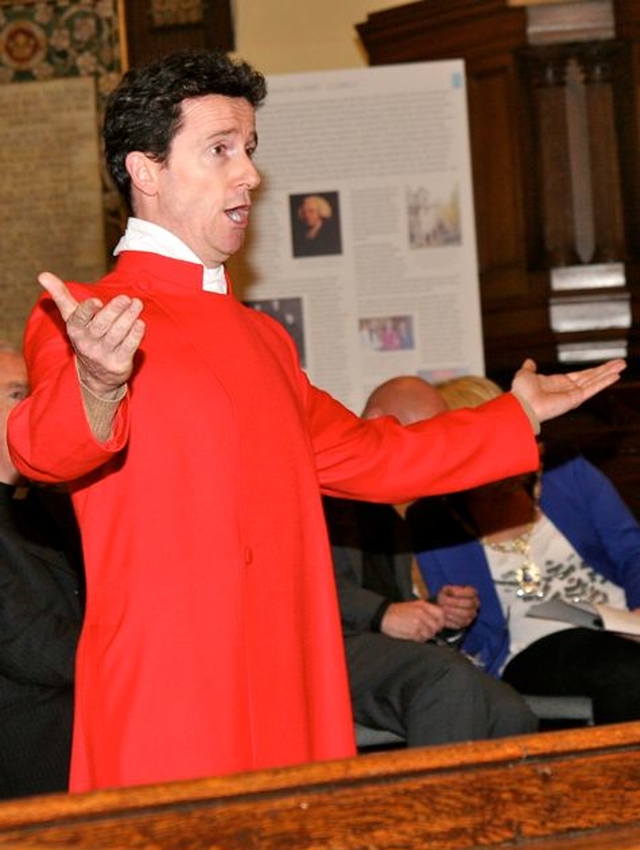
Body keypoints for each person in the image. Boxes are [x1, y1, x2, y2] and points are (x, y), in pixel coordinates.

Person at [6, 48, 625, 793]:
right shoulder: (80, 313)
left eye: (250, 150)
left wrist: (510, 416)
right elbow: (42, 450)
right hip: (175, 685)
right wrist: (100, 383)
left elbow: (370, 456)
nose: (251, 176)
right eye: (220, 151)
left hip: (287, 670)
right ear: (147, 170)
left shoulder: (262, 337)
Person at [411, 374, 640, 725]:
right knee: (624, 669)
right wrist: (451, 615)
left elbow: (632, 550)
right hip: (530, 649)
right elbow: (451, 623)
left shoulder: (564, 471)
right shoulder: (433, 518)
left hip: (623, 622)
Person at [325, 376, 538, 746]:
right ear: (378, 420)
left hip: (372, 651)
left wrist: (436, 614)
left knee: (509, 710)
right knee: (445, 677)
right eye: (424, 439)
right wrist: (382, 613)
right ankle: (434, 806)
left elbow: (390, 601)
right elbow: (295, 584)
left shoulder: (392, 508)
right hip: (323, 645)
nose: (432, 456)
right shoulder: (317, 487)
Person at [0, 346, 84, 798]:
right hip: (33, 777)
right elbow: (35, 647)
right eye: (18, 395)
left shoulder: (47, 503)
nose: (34, 409)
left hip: (89, 759)